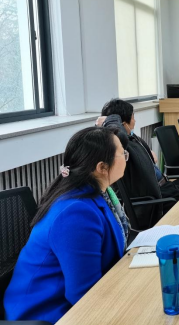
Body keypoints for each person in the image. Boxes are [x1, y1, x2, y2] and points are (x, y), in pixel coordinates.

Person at [4, 127, 129, 323]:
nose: (126, 157)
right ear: (102, 167)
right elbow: (84, 296)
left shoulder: (96, 194)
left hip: (78, 301)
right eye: (122, 153)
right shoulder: (75, 213)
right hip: (48, 314)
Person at [98, 99, 179, 222]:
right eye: (133, 117)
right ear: (123, 124)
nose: (135, 121)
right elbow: (119, 137)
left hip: (163, 189)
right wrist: (111, 120)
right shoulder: (121, 147)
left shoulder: (131, 139)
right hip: (157, 199)